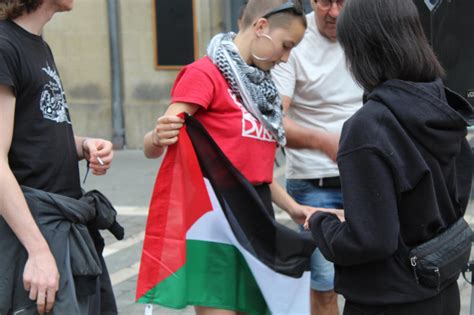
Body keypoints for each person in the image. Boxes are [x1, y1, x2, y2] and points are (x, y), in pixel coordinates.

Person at [143, 1, 338, 314]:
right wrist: (156, 137)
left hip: (255, 223)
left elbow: (254, 173)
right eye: (286, 45)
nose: (286, 57)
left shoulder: (262, 91)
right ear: (261, 27)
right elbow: (157, 143)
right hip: (215, 226)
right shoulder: (205, 74)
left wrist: (294, 207)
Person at [305, 0, 473, 314]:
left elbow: (370, 241)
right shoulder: (441, 105)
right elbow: (459, 185)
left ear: (362, 49)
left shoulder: (367, 128)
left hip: (389, 300)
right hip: (443, 289)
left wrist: (321, 224)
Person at [0, 0, 114, 314]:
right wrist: (38, 252)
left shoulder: (37, 45)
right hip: (32, 231)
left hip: (63, 230)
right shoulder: (4, 45)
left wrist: (85, 145)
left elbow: (35, 134)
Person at [271, 0, 362, 313]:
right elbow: (274, 120)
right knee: (325, 286)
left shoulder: (367, 30)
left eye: (342, 2)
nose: (334, 12)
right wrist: (323, 142)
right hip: (314, 183)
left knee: (377, 279)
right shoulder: (295, 38)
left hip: (366, 178)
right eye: (325, 1)